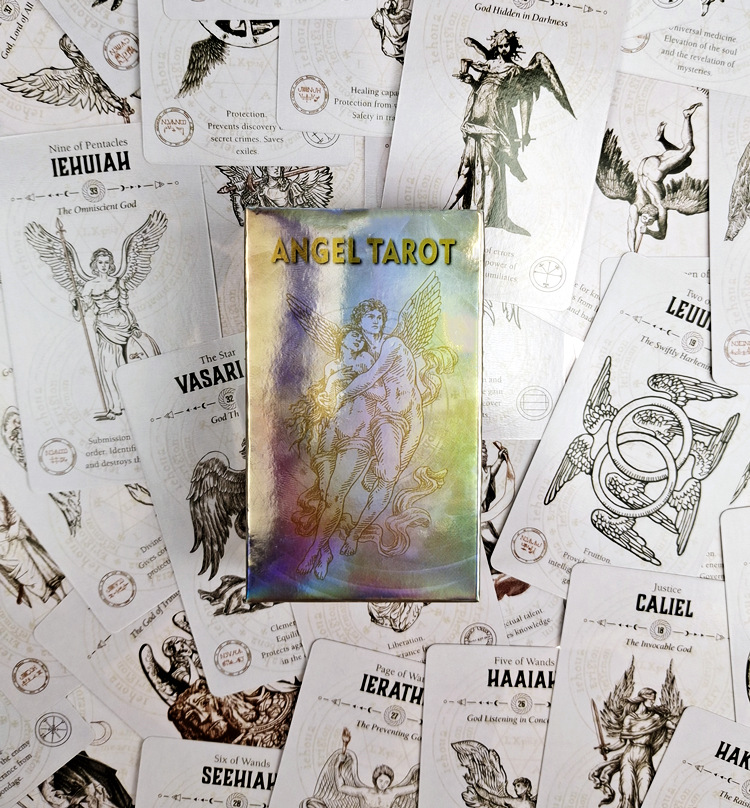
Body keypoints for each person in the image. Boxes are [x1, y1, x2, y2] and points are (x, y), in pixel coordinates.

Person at [333, 299, 424, 557]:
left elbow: (372, 377)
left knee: (389, 477)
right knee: (389, 472)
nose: (376, 320)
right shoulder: (361, 353)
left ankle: (356, 532)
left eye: (379, 317)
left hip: (410, 417)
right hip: (387, 418)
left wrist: (342, 394)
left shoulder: (392, 344)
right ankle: (353, 534)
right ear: (359, 321)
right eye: (370, 316)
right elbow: (373, 388)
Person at [74, 248, 153, 420]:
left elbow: (125, 306)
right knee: (109, 367)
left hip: (124, 325)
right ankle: (116, 406)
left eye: (106, 262)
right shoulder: (89, 285)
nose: (103, 265)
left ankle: (133, 402)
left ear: (110, 264)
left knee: (128, 364)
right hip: (105, 328)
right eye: (100, 262)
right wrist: (76, 304)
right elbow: (85, 311)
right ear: (95, 264)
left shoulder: (118, 281)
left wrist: (134, 324)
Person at [627, 103, 702, 252]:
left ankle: (686, 116)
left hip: (651, 171)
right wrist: (648, 232)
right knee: (687, 161)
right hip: (648, 168)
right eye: (650, 220)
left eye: (645, 219)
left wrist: (632, 251)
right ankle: (663, 138)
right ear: (655, 218)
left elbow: (631, 231)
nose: (646, 220)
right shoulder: (659, 209)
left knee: (688, 149)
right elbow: (661, 234)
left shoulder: (637, 207)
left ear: (641, 214)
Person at [590, 688, 675, 807]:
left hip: (645, 759)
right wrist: (609, 749)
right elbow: (622, 742)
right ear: (643, 699)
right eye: (651, 699)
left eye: (653, 700)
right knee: (627, 795)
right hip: (629, 758)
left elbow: (674, 726)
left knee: (644, 796)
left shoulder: (656, 718)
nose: (653, 702)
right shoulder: (629, 718)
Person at [0, 492, 65, 606]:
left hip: (13, 535)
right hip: (3, 552)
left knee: (42, 565)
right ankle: (56, 601)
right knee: (27, 577)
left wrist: (14, 525)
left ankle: (63, 596)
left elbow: (9, 500)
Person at [334, 758, 418, 807]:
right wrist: (337, 765)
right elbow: (341, 787)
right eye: (381, 781)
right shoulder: (365, 792)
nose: (383, 784)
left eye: (386, 782)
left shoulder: (393, 792)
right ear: (375, 779)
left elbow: (414, 787)